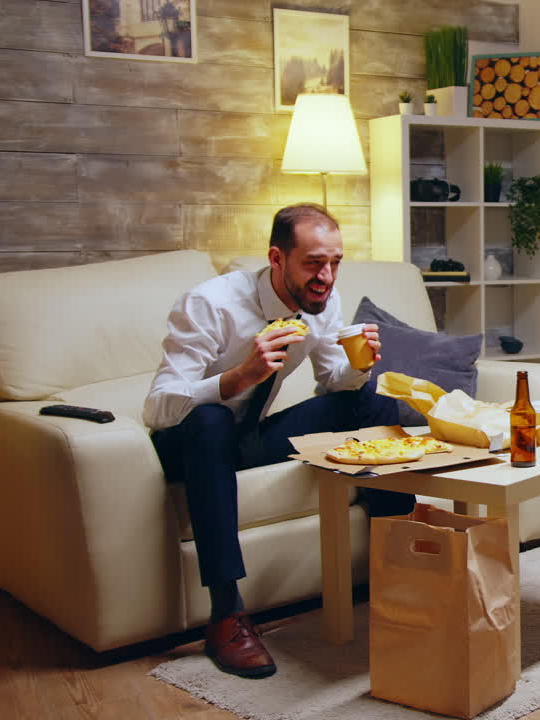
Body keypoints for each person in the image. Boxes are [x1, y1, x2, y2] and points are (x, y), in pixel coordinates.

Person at [144, 203, 414, 678]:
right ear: (276, 259)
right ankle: (226, 614)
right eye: (313, 263)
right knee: (211, 421)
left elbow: (332, 380)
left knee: (369, 399)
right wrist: (236, 378)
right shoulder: (210, 303)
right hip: (191, 444)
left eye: (334, 263)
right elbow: (159, 408)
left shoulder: (321, 301)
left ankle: (398, 569)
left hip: (249, 437)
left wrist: (360, 365)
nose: (326, 277)